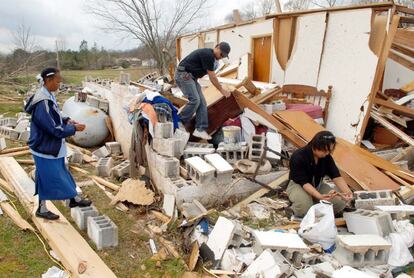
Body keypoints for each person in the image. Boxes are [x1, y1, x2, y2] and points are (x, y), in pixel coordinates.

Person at [25, 68, 91, 220]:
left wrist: (67, 120)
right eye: (57, 81)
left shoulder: (47, 95)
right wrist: (74, 128)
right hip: (45, 146)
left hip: (50, 146)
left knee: (62, 172)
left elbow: (56, 114)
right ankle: (42, 208)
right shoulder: (43, 102)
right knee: (48, 177)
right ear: (48, 81)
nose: (59, 84)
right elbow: (54, 129)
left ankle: (73, 198)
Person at [286, 131, 353, 217]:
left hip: (318, 185)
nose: (327, 153)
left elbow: (336, 176)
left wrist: (347, 192)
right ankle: (294, 210)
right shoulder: (298, 156)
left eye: (329, 150)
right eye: (325, 150)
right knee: (304, 208)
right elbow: (304, 183)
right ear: (316, 145)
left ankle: (313, 206)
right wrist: (320, 196)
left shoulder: (326, 157)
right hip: (299, 185)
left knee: (339, 203)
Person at [175, 42, 232, 140]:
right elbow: (212, 77)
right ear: (217, 48)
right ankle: (179, 121)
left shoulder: (213, 59)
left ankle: (200, 129)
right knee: (195, 100)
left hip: (191, 77)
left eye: (223, 56)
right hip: (183, 75)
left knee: (202, 103)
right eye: (221, 54)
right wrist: (222, 91)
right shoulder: (208, 55)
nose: (221, 57)